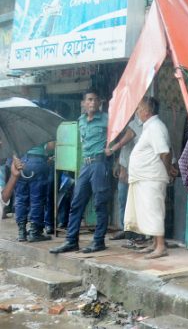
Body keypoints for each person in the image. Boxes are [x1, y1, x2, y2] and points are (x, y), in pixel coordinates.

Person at [50, 89, 113, 254]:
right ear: (83, 103)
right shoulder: (81, 120)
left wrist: (113, 148)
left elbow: (124, 133)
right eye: (89, 100)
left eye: (95, 100)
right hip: (85, 165)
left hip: (100, 164)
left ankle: (98, 241)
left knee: (100, 204)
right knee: (76, 203)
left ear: (100, 103)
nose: (92, 103)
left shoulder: (107, 119)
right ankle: (71, 241)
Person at [123, 97, 176, 259]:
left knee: (154, 211)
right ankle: (154, 243)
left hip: (152, 177)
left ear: (147, 111)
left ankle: (161, 246)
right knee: (148, 210)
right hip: (146, 177)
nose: (138, 112)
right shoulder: (150, 126)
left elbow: (165, 152)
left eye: (139, 108)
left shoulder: (155, 127)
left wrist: (166, 171)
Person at [14, 141, 54, 242]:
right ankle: (34, 232)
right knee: (37, 199)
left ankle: (21, 233)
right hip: (37, 161)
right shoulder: (39, 126)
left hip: (21, 161)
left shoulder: (15, 127)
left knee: (21, 199)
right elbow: (50, 146)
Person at [110, 117, 141, 241]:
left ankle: (137, 231)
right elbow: (124, 149)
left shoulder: (139, 126)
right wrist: (119, 165)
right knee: (123, 200)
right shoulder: (126, 124)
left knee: (136, 202)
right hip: (125, 168)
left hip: (137, 170)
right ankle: (126, 229)